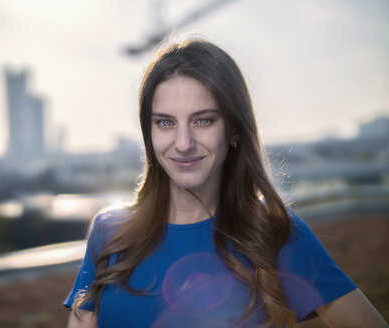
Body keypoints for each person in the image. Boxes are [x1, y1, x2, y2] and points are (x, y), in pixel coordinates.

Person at [64, 39, 387, 327]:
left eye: (203, 120)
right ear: (149, 132)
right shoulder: (109, 231)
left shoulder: (273, 232)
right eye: (165, 122)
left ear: (233, 128)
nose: (183, 142)